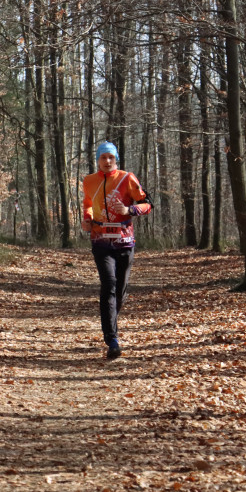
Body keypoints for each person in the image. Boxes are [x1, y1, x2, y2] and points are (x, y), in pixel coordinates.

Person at [81, 141, 152, 360]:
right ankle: (112, 340)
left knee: (120, 289)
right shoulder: (89, 181)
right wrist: (87, 219)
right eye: (103, 157)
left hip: (124, 241)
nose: (107, 161)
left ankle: (110, 319)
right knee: (109, 285)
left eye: (111, 157)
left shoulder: (127, 178)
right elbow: (88, 204)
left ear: (116, 159)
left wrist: (130, 209)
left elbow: (147, 203)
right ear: (98, 160)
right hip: (101, 240)